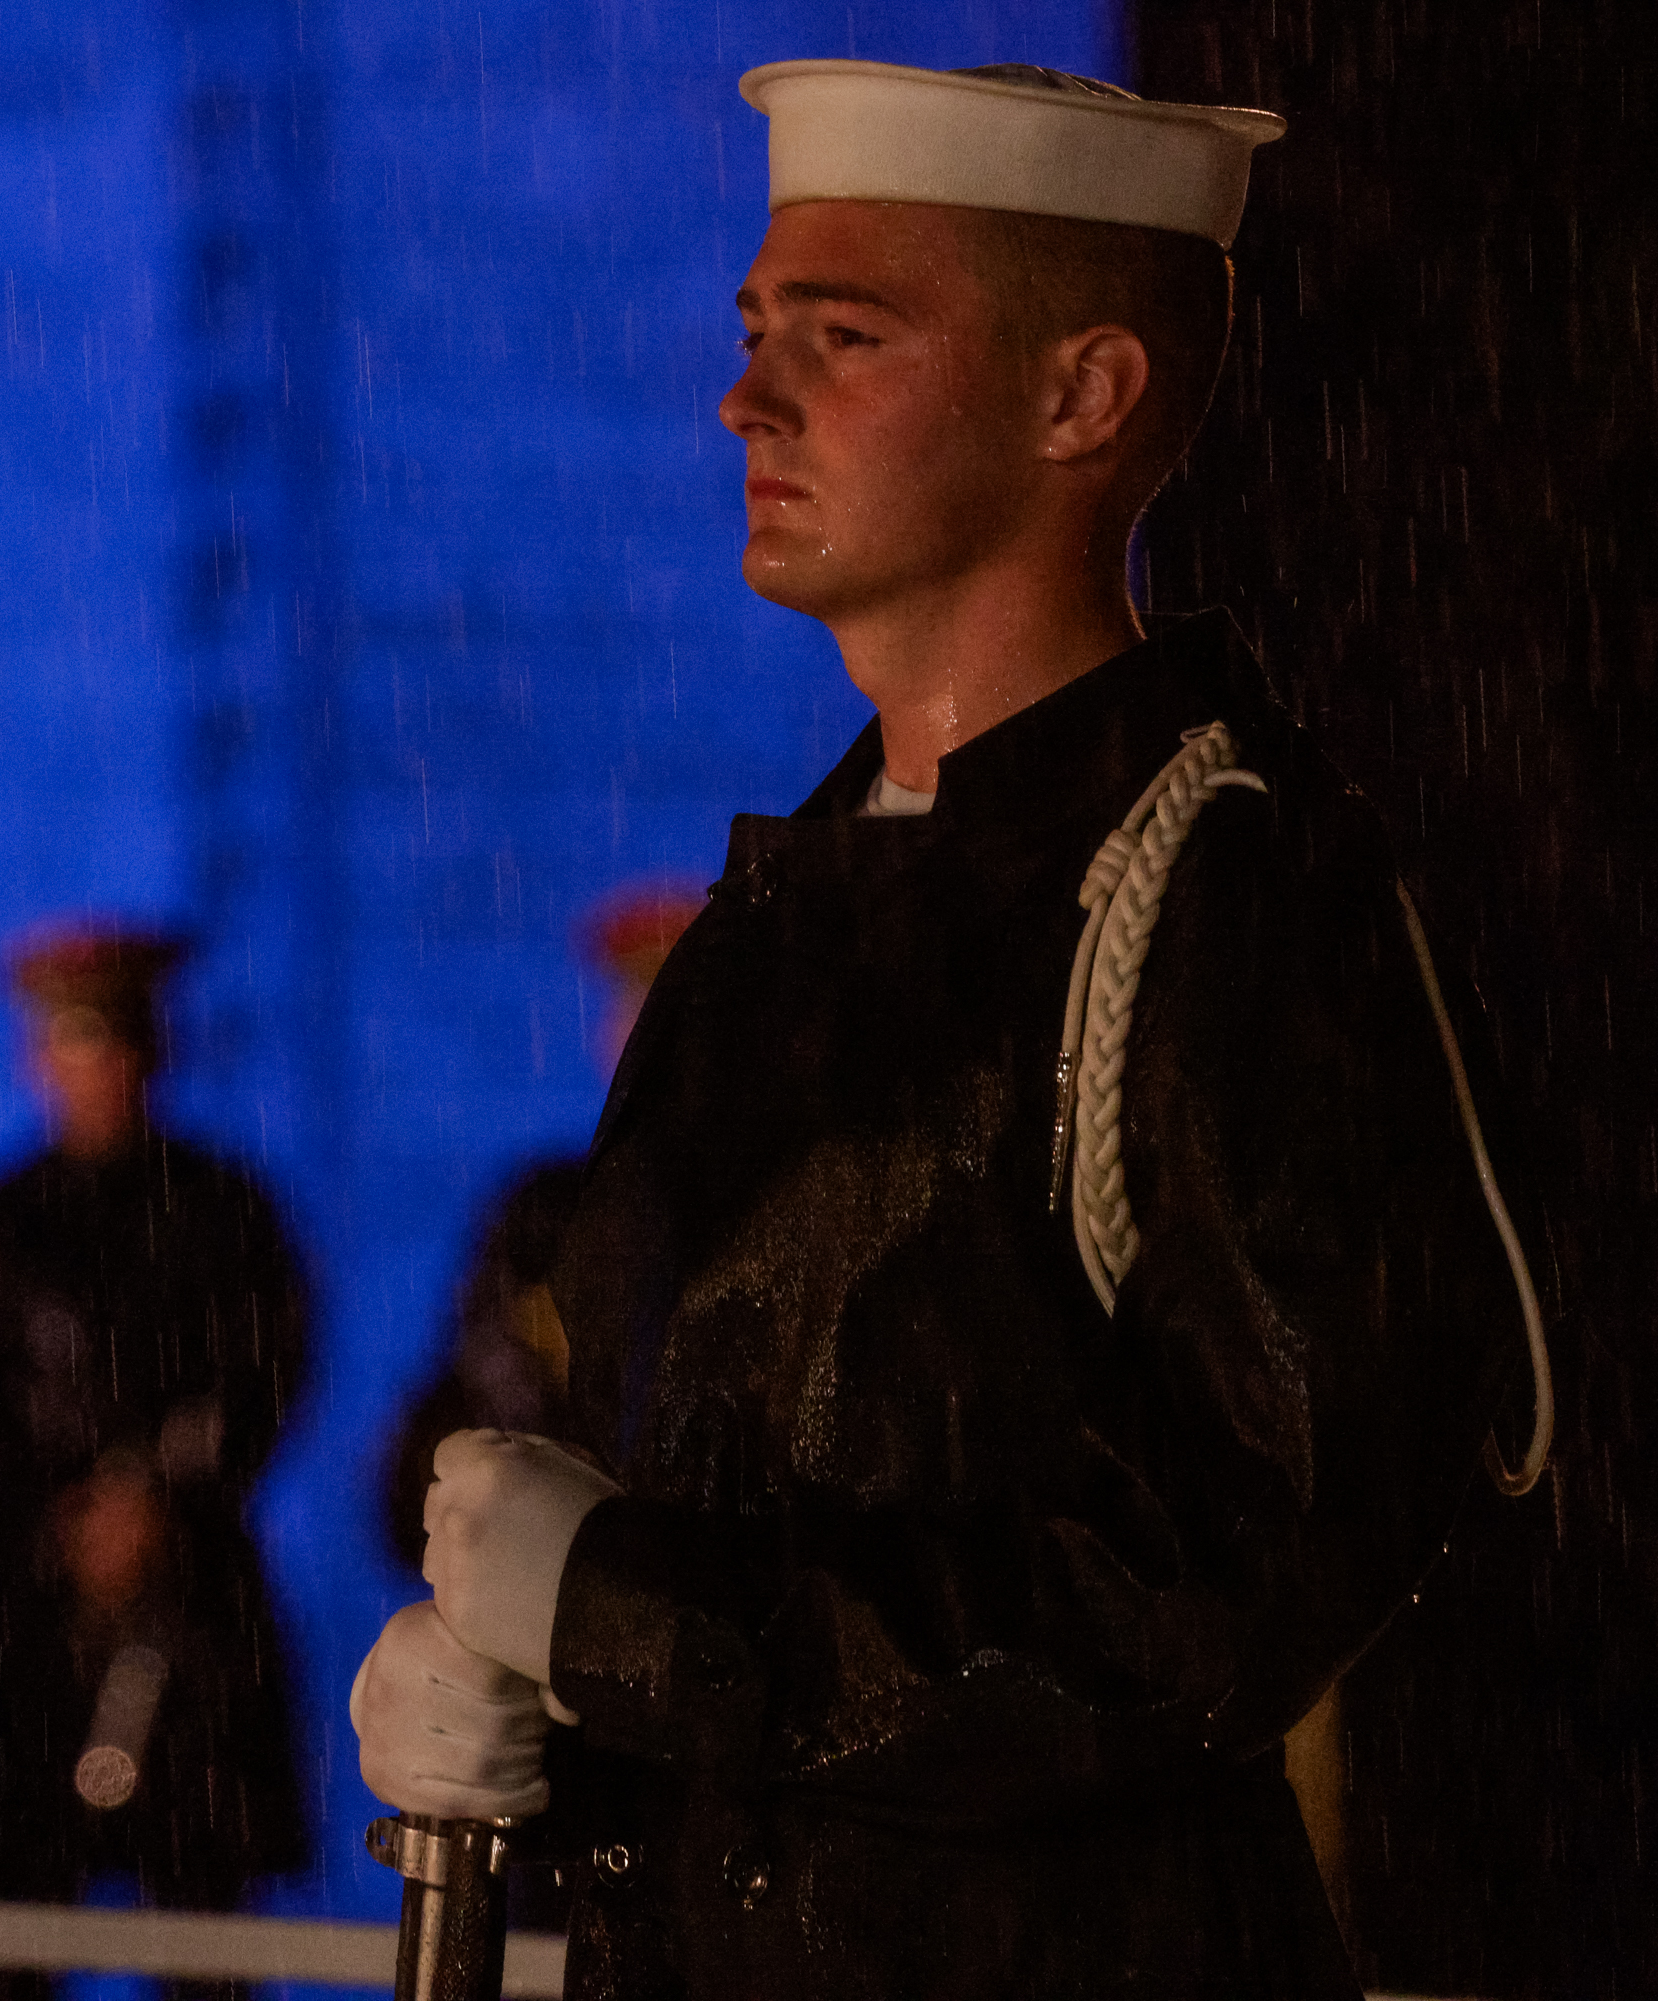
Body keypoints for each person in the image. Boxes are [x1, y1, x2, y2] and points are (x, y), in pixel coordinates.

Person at [350, 61, 1550, 1999]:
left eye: (844, 337)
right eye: (756, 334)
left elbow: (1219, 1586)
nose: (748, 399)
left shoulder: (1238, 899)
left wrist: (629, 1617)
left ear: (1085, 397)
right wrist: (535, 1699)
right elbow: (759, 1570)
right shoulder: (770, 922)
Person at [0, 924, 313, 2001]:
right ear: (35, 1057)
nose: (97, 1072)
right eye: (74, 1045)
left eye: (117, 1044)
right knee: (12, 1937)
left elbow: (269, 1375)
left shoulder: (230, 1215)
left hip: (193, 1610)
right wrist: (64, 1517)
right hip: (27, 1617)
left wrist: (165, 1506)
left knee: (204, 1941)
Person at [380, 884, 706, 1570]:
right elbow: (466, 1397)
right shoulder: (543, 1213)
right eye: (634, 1013)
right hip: (548, 1561)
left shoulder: (762, 1216)